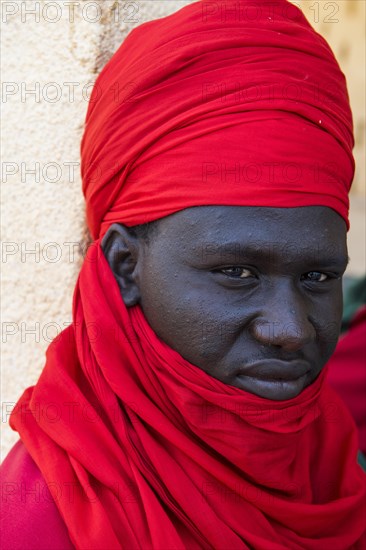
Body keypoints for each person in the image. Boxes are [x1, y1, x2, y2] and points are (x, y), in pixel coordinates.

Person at [1, 0, 365, 548]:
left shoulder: (329, 459)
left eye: (317, 278)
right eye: (237, 272)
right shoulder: (46, 515)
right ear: (126, 266)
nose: (292, 330)